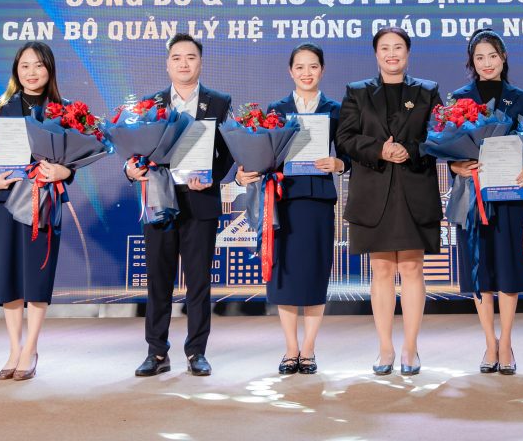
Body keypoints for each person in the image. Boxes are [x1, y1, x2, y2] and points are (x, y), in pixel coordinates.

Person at [235, 43, 349, 375]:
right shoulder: (277, 109)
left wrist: (338, 163)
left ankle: (309, 349)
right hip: (283, 199)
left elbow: (349, 155)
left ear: (322, 70)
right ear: (290, 71)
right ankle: (290, 349)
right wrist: (246, 170)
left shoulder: (335, 109)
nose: (306, 73)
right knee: (284, 275)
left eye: (313, 66)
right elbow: (266, 153)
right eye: (300, 67)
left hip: (317, 200)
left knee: (314, 273)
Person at [125, 33, 233, 378]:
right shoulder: (151, 103)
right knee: (158, 278)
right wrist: (131, 168)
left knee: (198, 281)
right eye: (177, 58)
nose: (183, 63)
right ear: (167, 63)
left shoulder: (219, 102)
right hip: (160, 198)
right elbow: (136, 150)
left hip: (200, 198)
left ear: (200, 62)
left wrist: (212, 176)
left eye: (190, 57)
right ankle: (156, 352)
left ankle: (196, 352)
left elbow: (229, 150)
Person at [336, 26, 442, 376]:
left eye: (398, 47)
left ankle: (410, 348)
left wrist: (409, 149)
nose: (392, 54)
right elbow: (345, 138)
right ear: (376, 54)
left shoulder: (427, 91)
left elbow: (441, 136)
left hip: (414, 189)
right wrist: (379, 149)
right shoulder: (357, 91)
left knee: (412, 268)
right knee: (381, 270)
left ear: (408, 53)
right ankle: (385, 348)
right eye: (385, 48)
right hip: (373, 190)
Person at [0, 42, 73, 381]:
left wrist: (65, 172)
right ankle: (13, 348)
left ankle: (30, 348)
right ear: (15, 71)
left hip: (44, 198)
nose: (31, 72)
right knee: (8, 274)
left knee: (37, 274)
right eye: (24, 66)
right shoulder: (2, 107)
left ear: (49, 69)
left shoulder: (64, 110)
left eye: (38, 65)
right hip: (7, 198)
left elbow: (73, 158)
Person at [446, 30, 523, 374]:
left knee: (509, 269)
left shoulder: (519, 98)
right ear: (472, 62)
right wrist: (455, 165)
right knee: (479, 271)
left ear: (503, 57)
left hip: (509, 194)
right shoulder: (459, 98)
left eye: (492, 56)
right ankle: (489, 343)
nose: (486, 63)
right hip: (474, 195)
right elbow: (449, 145)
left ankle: (506, 342)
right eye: (479, 57)